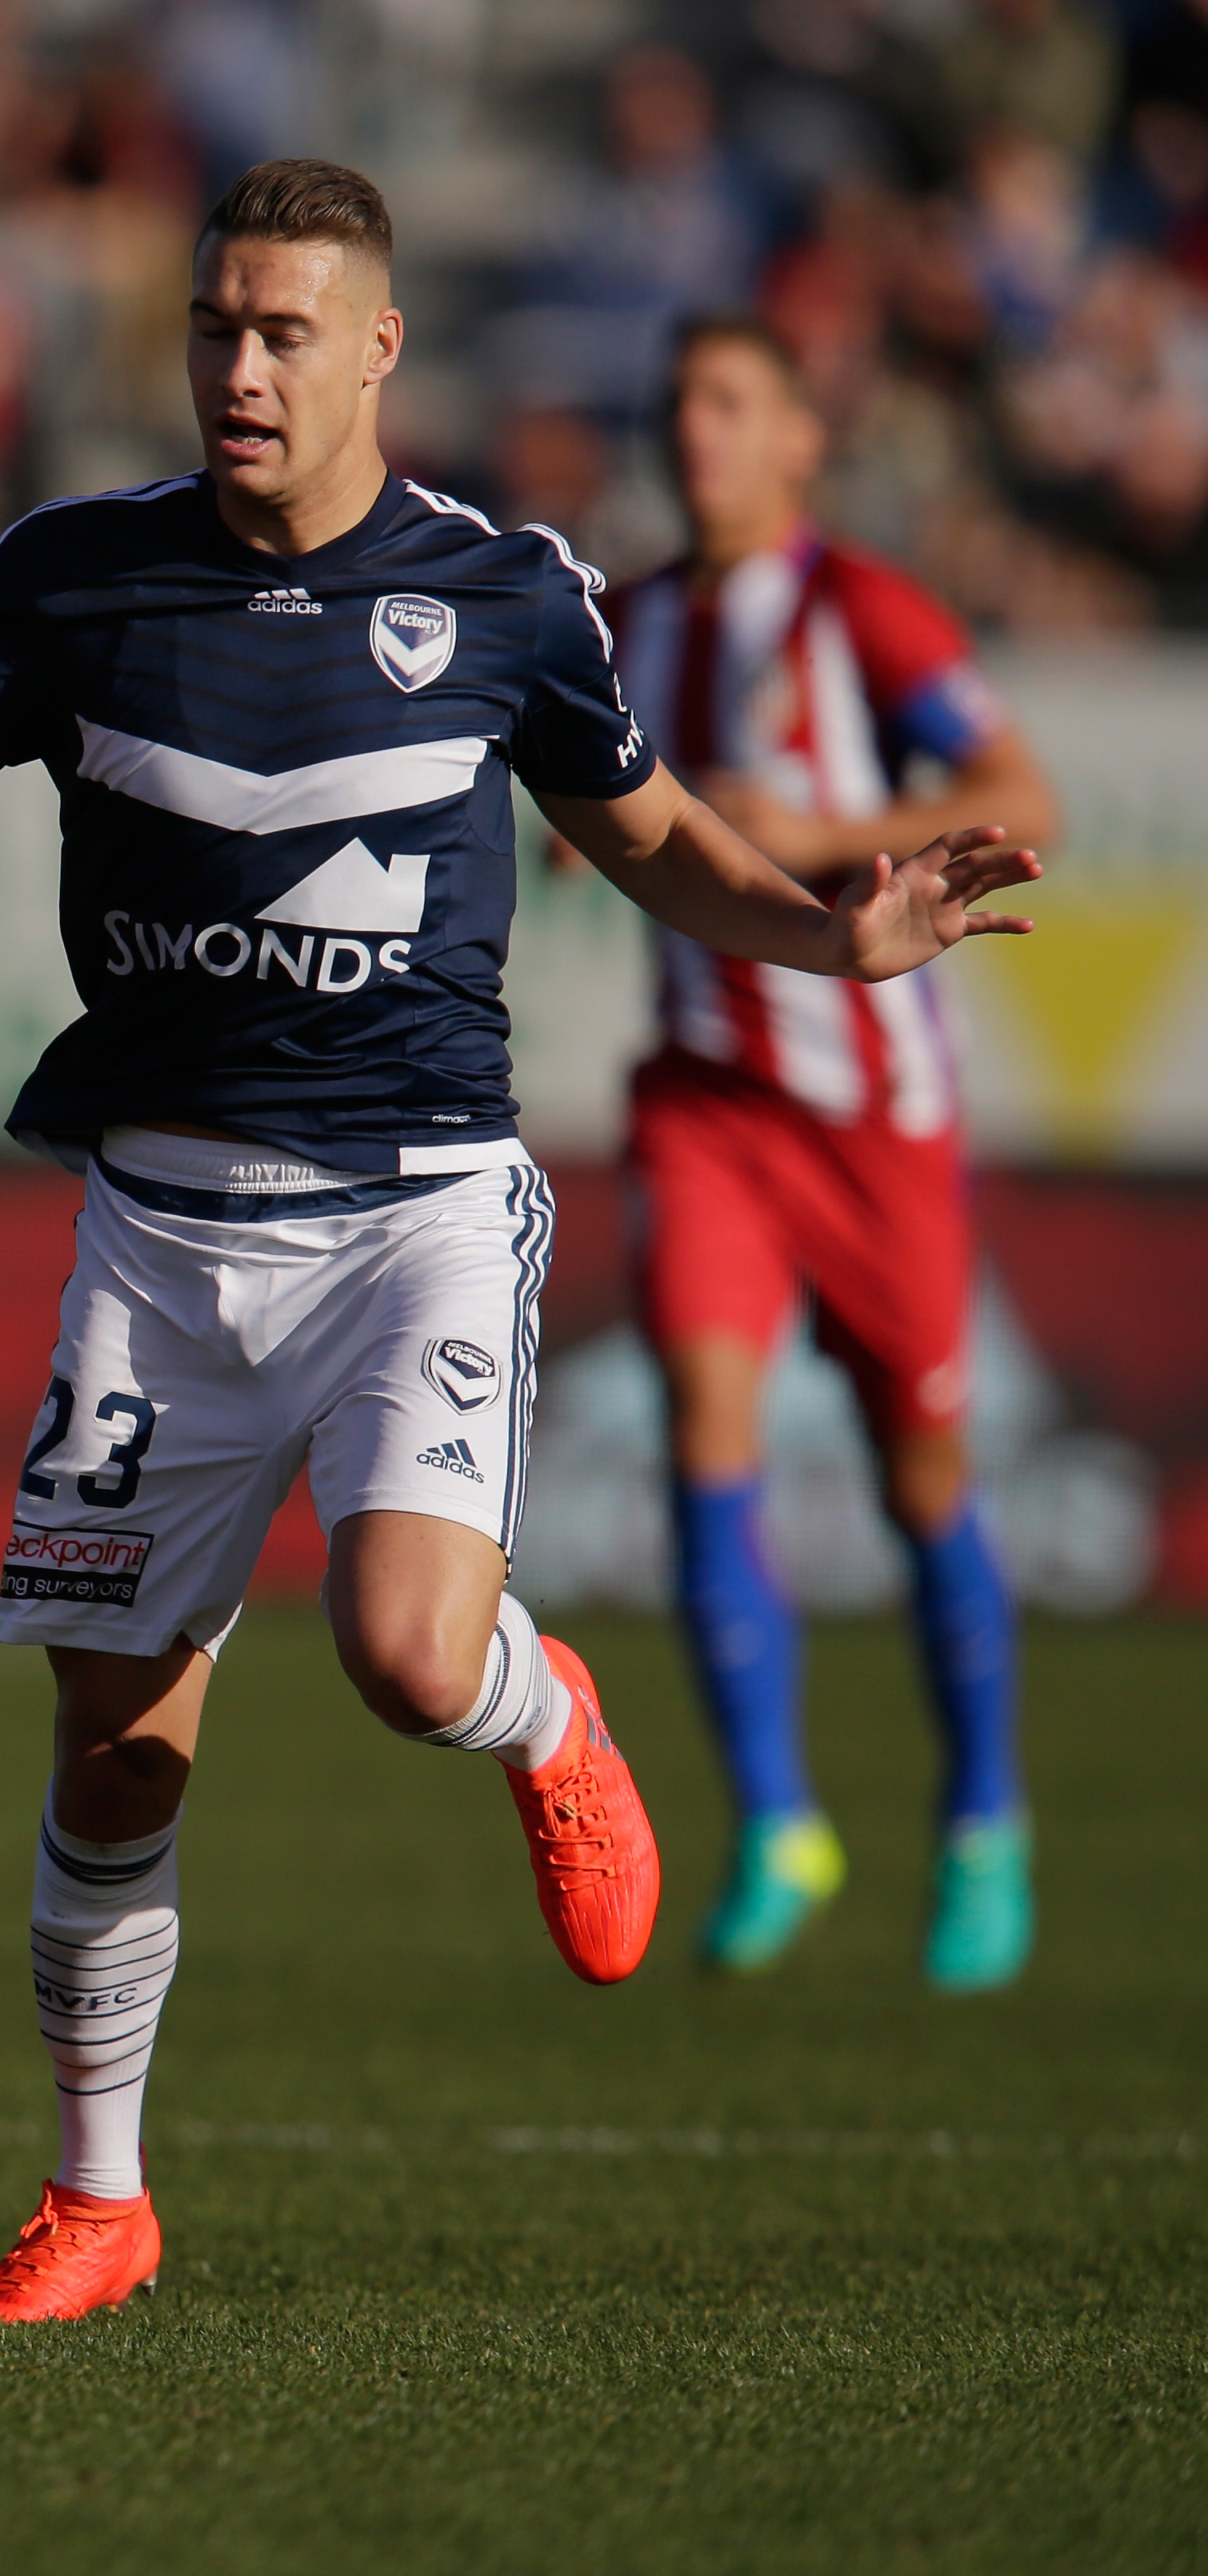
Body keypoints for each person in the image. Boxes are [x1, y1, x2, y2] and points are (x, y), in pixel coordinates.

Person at [0, 158, 1038, 2322]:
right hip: (156, 1240)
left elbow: (646, 837)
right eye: (211, 326)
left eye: (283, 331)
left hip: (412, 1216)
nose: (239, 368)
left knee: (395, 1647)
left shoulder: (502, 594)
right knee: (111, 1745)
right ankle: (96, 2196)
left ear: (376, 347)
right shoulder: (75, 577)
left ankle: (535, 1709)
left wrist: (827, 936)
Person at [606, 315, 1058, 1991]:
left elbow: (1028, 792)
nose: (695, 431)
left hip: (875, 1115)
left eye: (729, 403)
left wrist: (809, 833)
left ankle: (983, 1821)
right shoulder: (625, 617)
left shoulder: (861, 608)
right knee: (705, 1424)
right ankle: (782, 1818)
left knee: (922, 1477)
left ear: (801, 439)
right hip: (708, 1097)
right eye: (678, 401)